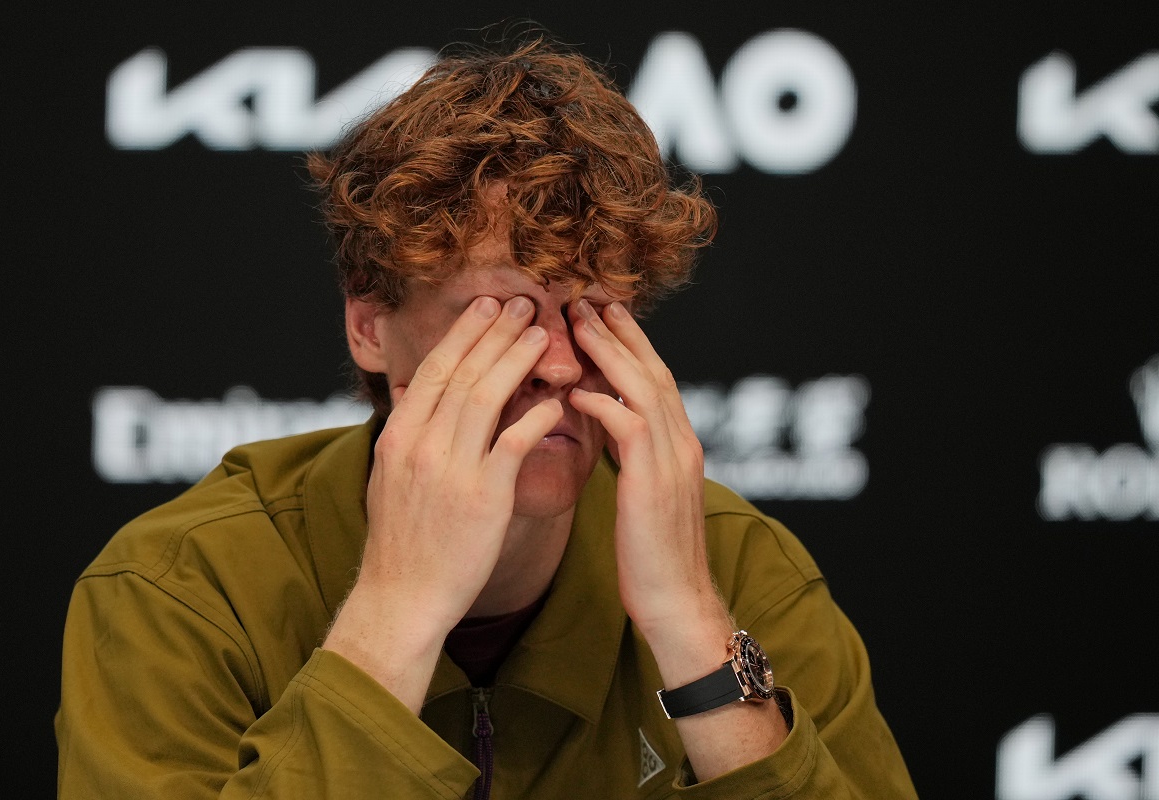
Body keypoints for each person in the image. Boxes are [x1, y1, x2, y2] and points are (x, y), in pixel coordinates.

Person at [55, 33, 918, 799]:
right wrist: (398, 608)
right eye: (499, 313)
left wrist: (692, 628)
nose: (554, 360)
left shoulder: (739, 566)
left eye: (590, 312)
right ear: (369, 324)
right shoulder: (181, 588)